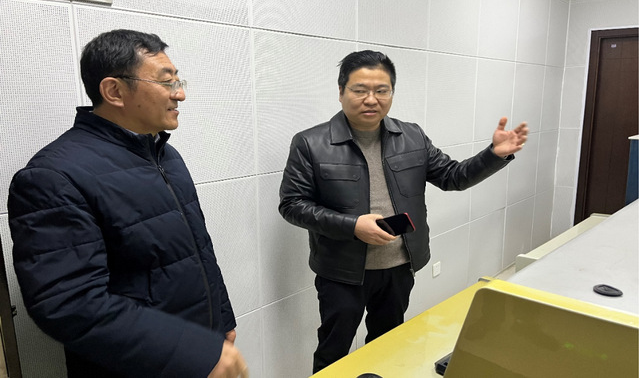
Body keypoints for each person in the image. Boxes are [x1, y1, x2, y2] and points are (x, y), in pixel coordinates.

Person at [7, 29, 247, 378]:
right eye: (166, 82)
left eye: (178, 81)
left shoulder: (164, 154)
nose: (180, 94)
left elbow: (198, 250)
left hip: (196, 352)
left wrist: (221, 320)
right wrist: (192, 348)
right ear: (114, 91)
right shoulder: (53, 176)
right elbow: (69, 303)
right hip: (137, 364)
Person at [278, 50, 528, 373]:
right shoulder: (310, 143)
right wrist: (353, 226)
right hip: (341, 272)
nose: (371, 99)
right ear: (341, 92)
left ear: (392, 93)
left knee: (388, 346)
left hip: (397, 267)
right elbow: (292, 205)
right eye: (360, 90)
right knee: (334, 351)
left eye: (381, 90)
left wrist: (494, 155)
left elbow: (453, 177)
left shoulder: (412, 137)